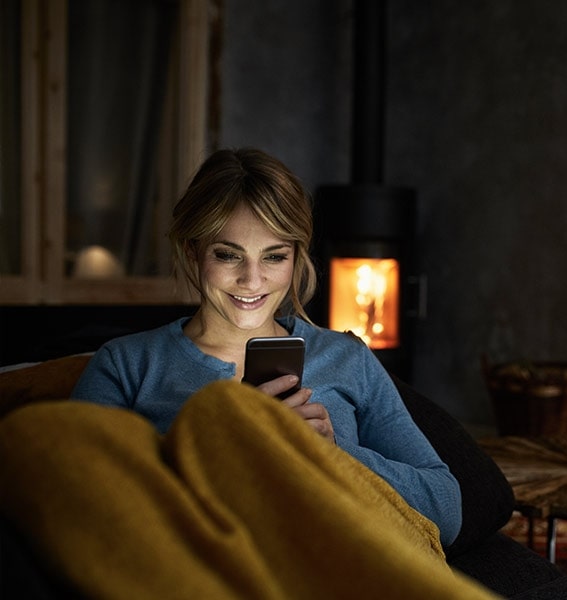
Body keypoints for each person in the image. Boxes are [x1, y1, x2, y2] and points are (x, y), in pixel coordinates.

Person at [70, 147, 462, 548]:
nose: (252, 280)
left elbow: (445, 511)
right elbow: (79, 505)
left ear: (296, 258)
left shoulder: (347, 358)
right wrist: (221, 442)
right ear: (193, 252)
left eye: (274, 257)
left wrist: (334, 454)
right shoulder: (127, 364)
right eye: (228, 255)